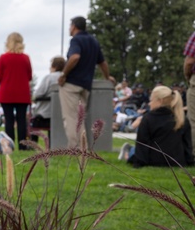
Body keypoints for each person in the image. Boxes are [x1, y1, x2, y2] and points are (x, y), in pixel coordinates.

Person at [58, 16, 115, 149]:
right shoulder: (93, 41)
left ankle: (76, 148)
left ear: (74, 26)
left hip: (71, 85)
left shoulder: (76, 40)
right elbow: (102, 62)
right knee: (80, 118)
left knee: (71, 118)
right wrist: (107, 77)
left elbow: (75, 57)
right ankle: (83, 148)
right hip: (85, 86)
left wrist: (63, 74)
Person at [119, 85, 194, 167]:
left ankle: (128, 153)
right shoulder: (182, 119)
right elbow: (187, 147)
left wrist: (137, 163)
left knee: (133, 151)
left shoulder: (148, 119)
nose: (149, 103)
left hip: (154, 160)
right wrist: (189, 162)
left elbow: (143, 146)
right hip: (177, 161)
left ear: (160, 101)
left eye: (151, 100)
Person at [0, 32, 33, 149]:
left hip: (7, 93)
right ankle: (23, 146)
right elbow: (30, 76)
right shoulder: (25, 58)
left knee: (9, 120)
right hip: (22, 93)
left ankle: (9, 146)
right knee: (22, 120)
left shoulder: (3, 58)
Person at [30, 56, 66, 131]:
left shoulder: (49, 78)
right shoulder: (67, 78)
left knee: (32, 124)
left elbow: (38, 94)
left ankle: (33, 141)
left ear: (54, 67)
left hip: (45, 114)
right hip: (61, 113)